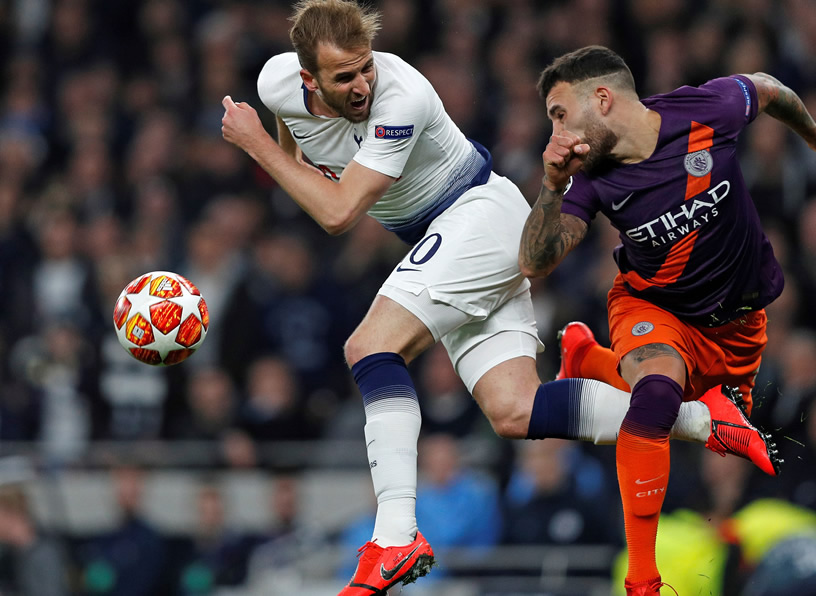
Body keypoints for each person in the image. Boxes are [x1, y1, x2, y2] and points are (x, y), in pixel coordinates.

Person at [221, 4, 776, 593]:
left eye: (365, 69)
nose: (361, 85)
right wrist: (282, 149)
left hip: (475, 217)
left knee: (368, 348)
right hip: (455, 235)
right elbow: (296, 139)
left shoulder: (401, 95)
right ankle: (704, 418)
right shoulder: (275, 81)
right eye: (343, 78)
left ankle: (394, 536)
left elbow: (336, 214)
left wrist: (256, 145)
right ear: (308, 78)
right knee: (515, 412)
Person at [519, 46, 816, 595]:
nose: (556, 132)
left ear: (602, 99)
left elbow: (769, 88)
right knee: (656, 399)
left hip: (736, 326)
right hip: (651, 308)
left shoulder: (706, 110)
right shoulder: (588, 174)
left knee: (717, 429)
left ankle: (585, 359)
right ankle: (642, 579)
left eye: (560, 113)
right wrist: (552, 185)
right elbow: (535, 263)